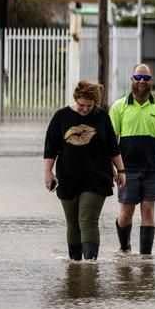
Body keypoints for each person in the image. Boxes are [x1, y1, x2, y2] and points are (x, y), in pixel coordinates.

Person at [44, 80, 125, 261]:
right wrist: (48, 173)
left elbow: (112, 146)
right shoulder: (61, 117)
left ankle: (89, 267)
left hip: (96, 177)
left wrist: (121, 170)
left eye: (89, 106)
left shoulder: (102, 117)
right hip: (68, 176)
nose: (85, 109)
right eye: (81, 105)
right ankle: (75, 266)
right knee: (72, 223)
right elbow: (50, 148)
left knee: (87, 220)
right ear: (76, 99)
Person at [111, 64, 155, 255]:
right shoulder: (118, 107)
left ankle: (145, 258)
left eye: (146, 78)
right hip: (127, 170)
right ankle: (124, 248)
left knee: (148, 210)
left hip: (152, 170)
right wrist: (113, 169)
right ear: (132, 79)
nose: (142, 81)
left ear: (151, 82)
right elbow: (110, 142)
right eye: (138, 77)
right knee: (126, 213)